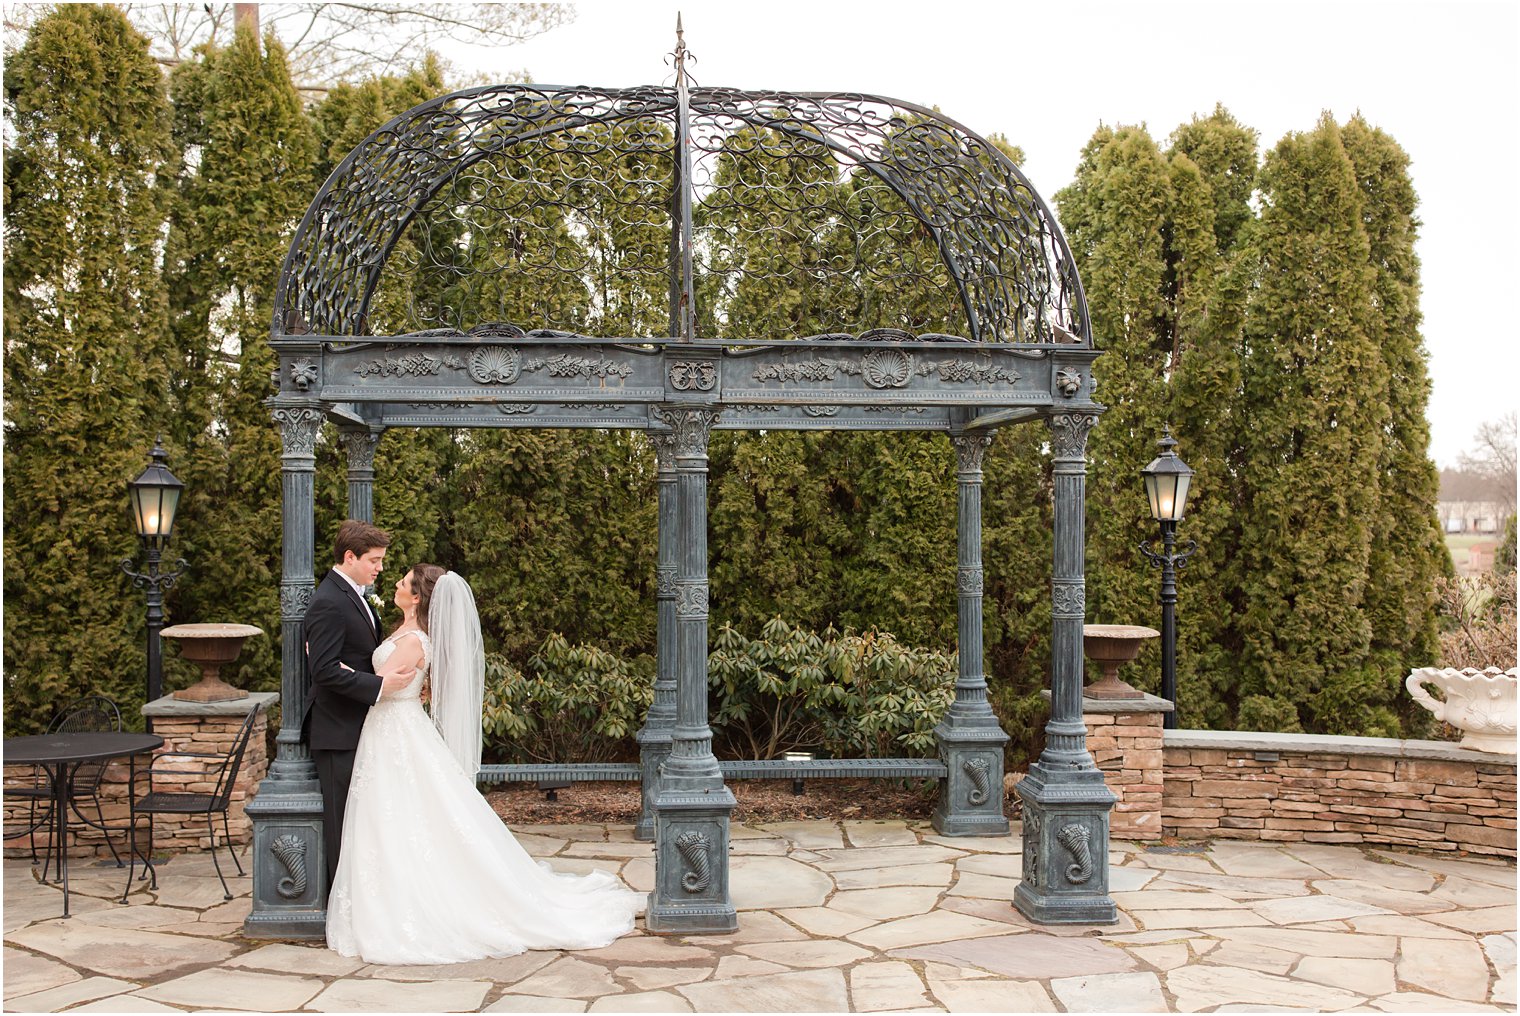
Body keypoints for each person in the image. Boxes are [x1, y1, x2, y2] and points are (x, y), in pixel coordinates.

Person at [325, 563, 642, 965]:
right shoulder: (407, 634)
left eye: (403, 582)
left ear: (417, 597)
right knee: (402, 816)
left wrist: (334, 667)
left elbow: (381, 688)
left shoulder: (411, 641)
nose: (396, 584)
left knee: (398, 814)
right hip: (394, 731)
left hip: (394, 732)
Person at [302, 520, 413, 890]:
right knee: (342, 826)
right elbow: (324, 670)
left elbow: (358, 656)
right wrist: (379, 685)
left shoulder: (351, 594)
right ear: (350, 557)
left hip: (358, 726)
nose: (380, 568)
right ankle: (341, 905)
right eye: (374, 560)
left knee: (361, 824)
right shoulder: (329, 602)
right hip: (337, 730)